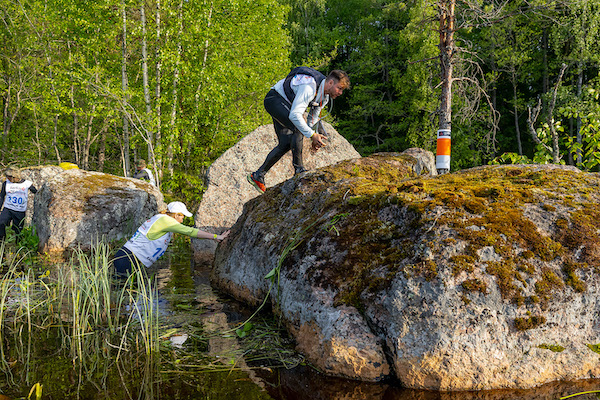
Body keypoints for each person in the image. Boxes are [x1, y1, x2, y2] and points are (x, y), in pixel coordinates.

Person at [247, 67, 350, 193]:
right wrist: (312, 135)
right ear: (330, 83)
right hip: (274, 100)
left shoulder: (325, 97)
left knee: (286, 143)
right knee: (298, 128)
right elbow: (295, 115)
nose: (340, 93)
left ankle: (258, 175)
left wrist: (314, 137)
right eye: (339, 88)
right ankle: (299, 170)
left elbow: (312, 118)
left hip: (284, 104)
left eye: (342, 90)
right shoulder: (309, 87)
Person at [113, 201, 230, 277]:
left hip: (126, 257)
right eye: (182, 216)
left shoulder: (161, 218)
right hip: (127, 259)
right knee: (129, 296)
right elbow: (191, 231)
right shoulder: (166, 221)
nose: (183, 219)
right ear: (176, 215)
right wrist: (216, 237)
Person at [0, 168, 38, 243]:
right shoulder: (6, 183)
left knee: (18, 230)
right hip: (8, 208)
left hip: (19, 210)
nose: (7, 178)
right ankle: (2, 242)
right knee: (1, 223)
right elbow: (2, 196)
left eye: (9, 176)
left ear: (15, 176)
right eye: (7, 176)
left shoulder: (27, 184)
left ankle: (18, 245)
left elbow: (36, 192)